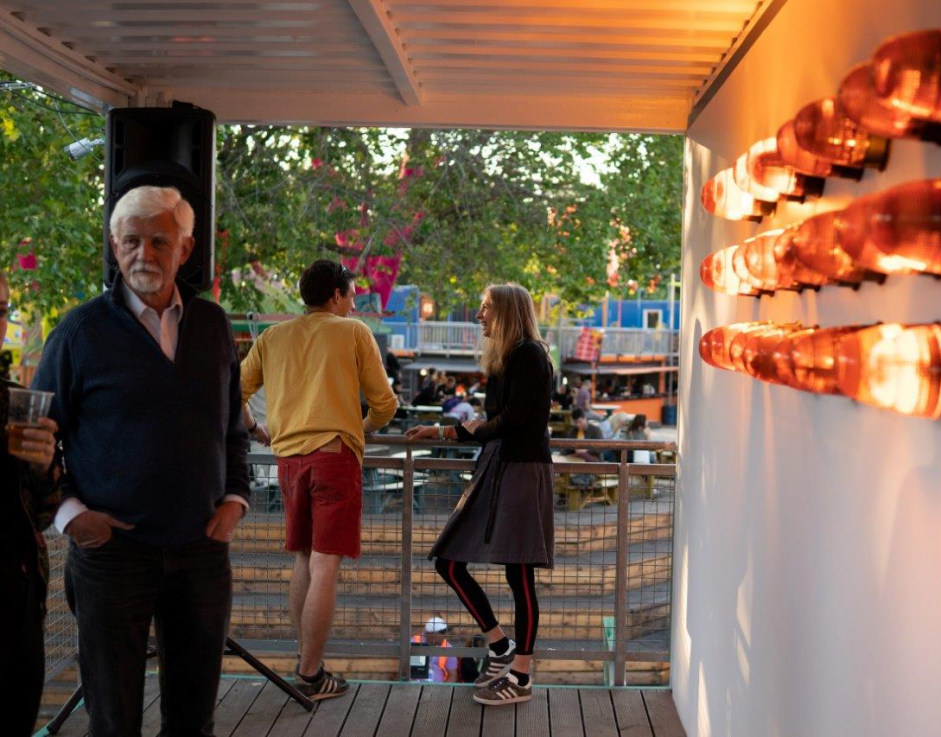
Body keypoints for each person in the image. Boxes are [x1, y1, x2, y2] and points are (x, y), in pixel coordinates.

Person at [33, 185, 251, 736]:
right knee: (113, 722)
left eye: (159, 241)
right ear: (114, 245)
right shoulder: (79, 333)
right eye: (130, 241)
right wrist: (69, 516)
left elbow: (233, 427)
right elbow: (33, 440)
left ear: (186, 248)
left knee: (194, 722)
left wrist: (235, 499)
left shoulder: (213, 325)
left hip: (201, 551)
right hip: (111, 556)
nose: (143, 254)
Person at [239, 259, 397, 701]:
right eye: (351, 296)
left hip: (288, 461)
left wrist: (255, 429)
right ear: (336, 295)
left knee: (304, 559)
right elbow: (385, 405)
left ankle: (306, 663)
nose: (354, 305)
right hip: (334, 458)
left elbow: (233, 391)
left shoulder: (272, 337)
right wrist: (358, 428)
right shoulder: (353, 332)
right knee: (325, 563)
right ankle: (310, 674)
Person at [406, 283, 555, 706]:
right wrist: (449, 431)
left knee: (519, 573)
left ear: (506, 312)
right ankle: (500, 645)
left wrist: (452, 430)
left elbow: (511, 421)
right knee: (450, 562)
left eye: (486, 308)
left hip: (520, 470)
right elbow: (497, 423)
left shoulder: (529, 354)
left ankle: (521, 678)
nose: (479, 315)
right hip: (498, 465)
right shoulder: (508, 358)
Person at [0, 270, 62, 737]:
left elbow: (42, 512)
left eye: (1, 309)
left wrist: (43, 466)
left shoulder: (14, 401)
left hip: (15, 597)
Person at [409, 616, 458, 683]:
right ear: (430, 634)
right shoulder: (415, 641)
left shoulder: (448, 647)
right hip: (415, 684)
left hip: (438, 686)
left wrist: (445, 689)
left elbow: (452, 675)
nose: (444, 639)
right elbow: (406, 668)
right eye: (440, 636)